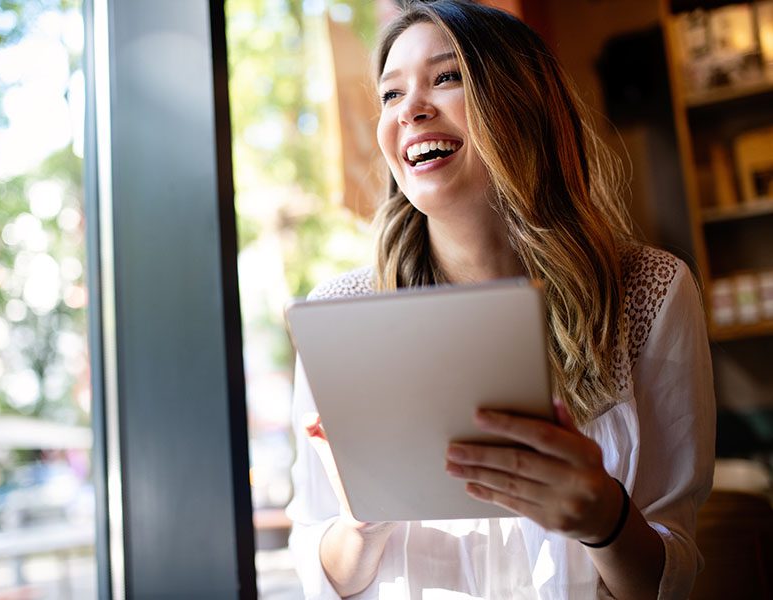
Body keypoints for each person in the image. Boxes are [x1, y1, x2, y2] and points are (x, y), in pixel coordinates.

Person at [285, 1, 716, 599]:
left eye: (446, 77)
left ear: (522, 106)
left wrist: (606, 523)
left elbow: (669, 579)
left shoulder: (650, 289)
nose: (409, 109)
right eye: (390, 94)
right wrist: (361, 520)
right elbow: (321, 565)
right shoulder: (340, 312)